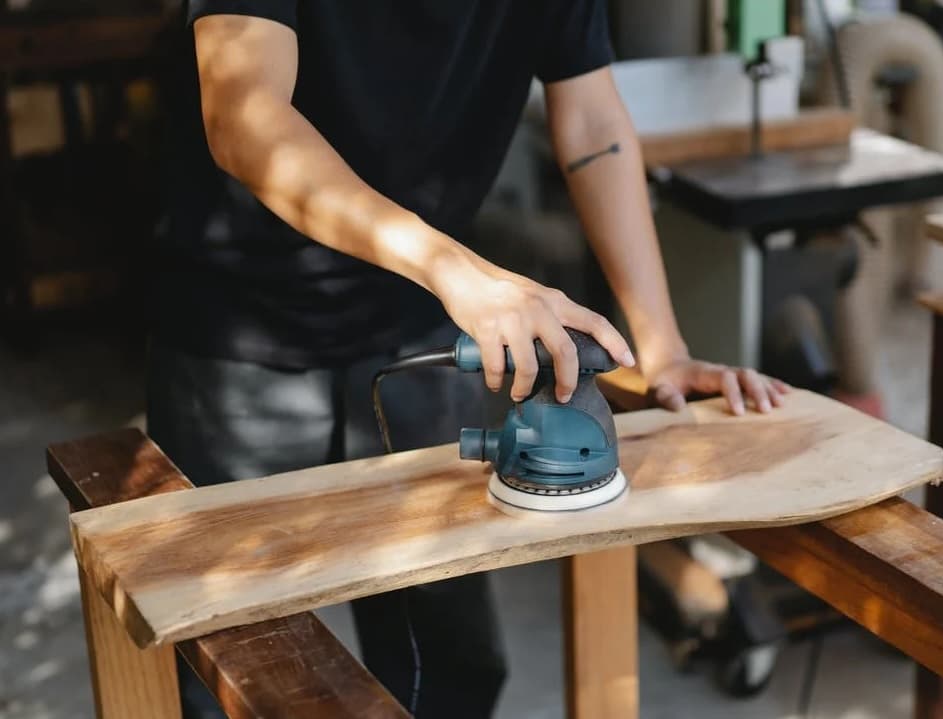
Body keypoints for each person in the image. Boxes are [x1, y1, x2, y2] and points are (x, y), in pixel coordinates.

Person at [150, 1, 790, 717]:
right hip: (238, 330)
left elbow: (592, 124)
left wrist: (663, 345)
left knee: (452, 665)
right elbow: (245, 115)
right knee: (221, 665)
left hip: (417, 326)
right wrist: (453, 269)